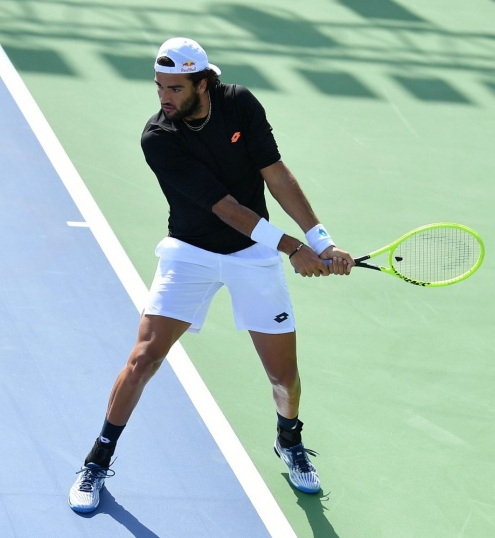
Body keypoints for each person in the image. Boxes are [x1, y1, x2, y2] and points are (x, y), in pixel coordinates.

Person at [68, 37, 355, 513]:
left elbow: (275, 173)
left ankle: (289, 439)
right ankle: (97, 460)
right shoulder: (158, 138)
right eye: (159, 86)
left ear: (204, 84)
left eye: (175, 88)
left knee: (284, 376)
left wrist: (320, 240)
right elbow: (224, 208)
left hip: (252, 256)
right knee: (143, 358)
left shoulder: (238, 104)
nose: (163, 97)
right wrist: (292, 248)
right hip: (190, 253)